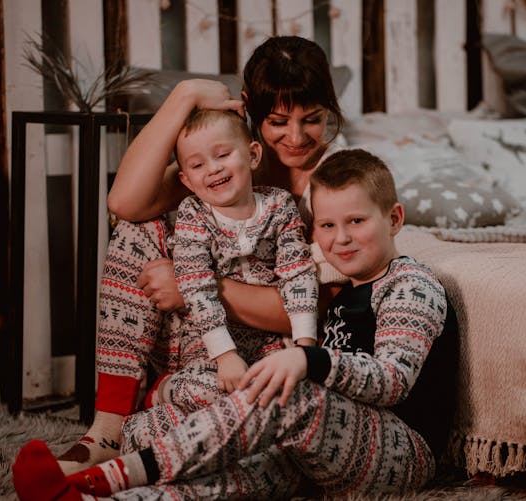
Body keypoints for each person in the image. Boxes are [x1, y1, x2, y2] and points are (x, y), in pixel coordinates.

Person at [12, 148, 459, 500]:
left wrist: (309, 361)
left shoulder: (409, 284)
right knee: (224, 467)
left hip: (402, 452)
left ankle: (107, 478)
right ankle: (89, 499)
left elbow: (393, 381)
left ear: (394, 219)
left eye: (356, 222)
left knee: (289, 395)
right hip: (326, 444)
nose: (340, 238)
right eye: (327, 225)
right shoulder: (342, 292)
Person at [52, 35, 346, 475]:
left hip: (262, 348)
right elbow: (124, 203)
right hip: (191, 339)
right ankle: (109, 427)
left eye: (314, 119)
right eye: (279, 121)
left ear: (331, 109)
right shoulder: (227, 161)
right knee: (138, 229)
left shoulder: (336, 178)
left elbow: (323, 307)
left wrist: (194, 286)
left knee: (265, 400)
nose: (297, 137)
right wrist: (184, 95)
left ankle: (158, 412)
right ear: (249, 110)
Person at [148, 108, 318, 412]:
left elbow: (298, 274)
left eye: (223, 155)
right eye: (198, 165)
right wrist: (225, 355)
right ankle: (164, 390)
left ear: (253, 155)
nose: (212, 169)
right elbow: (195, 286)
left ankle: (175, 428)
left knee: (285, 395)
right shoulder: (194, 214)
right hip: (207, 343)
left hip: (269, 341)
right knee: (214, 391)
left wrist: (306, 349)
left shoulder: (280, 205)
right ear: (187, 180)